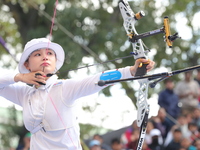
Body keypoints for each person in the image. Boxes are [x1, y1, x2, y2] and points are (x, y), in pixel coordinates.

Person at [0, 38, 155, 149]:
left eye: (49, 53)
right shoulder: (25, 94)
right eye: (37, 54)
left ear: (55, 63)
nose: (45, 56)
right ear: (26, 64)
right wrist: (19, 77)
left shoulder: (65, 88)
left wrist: (132, 71)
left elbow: (99, 79)